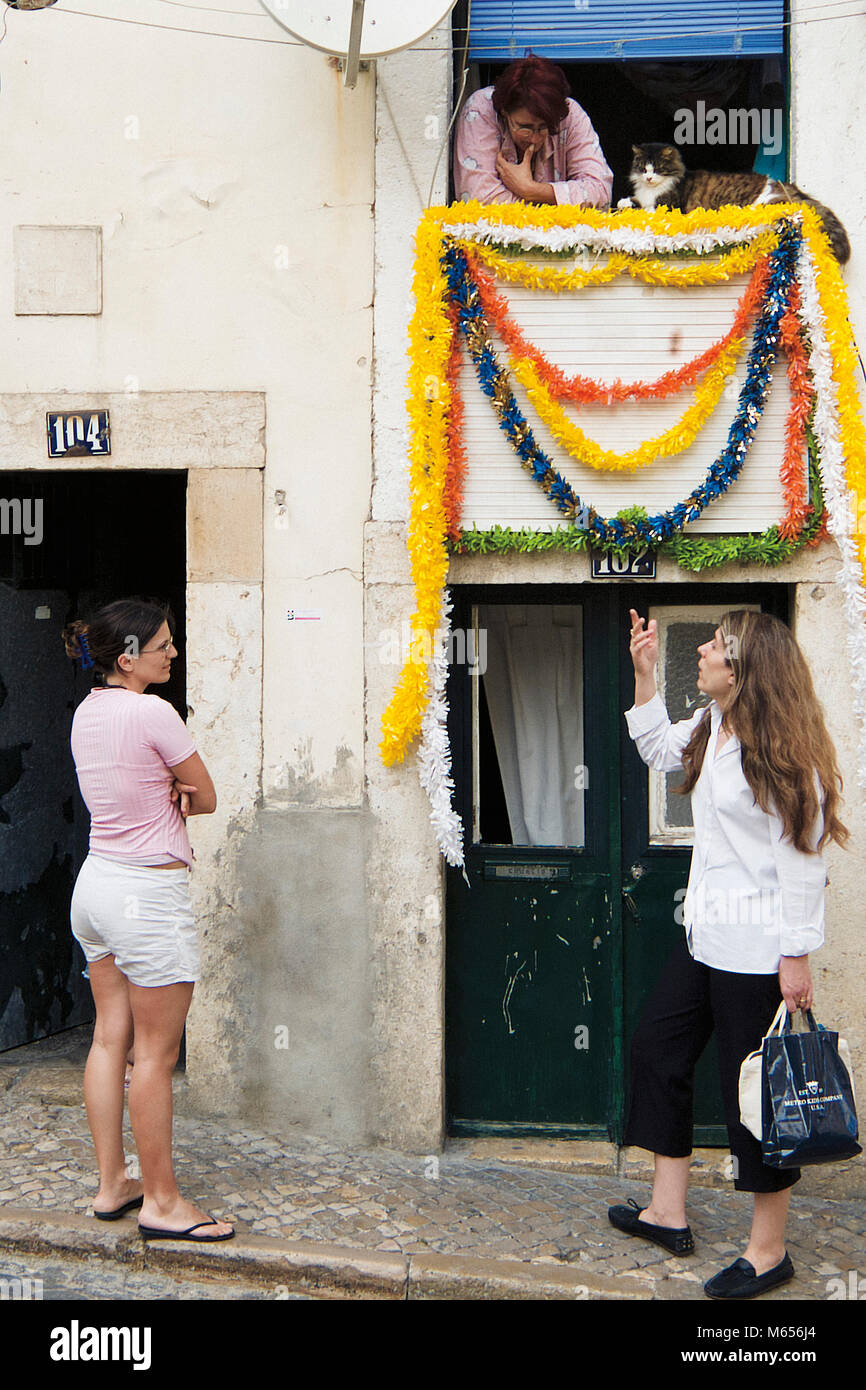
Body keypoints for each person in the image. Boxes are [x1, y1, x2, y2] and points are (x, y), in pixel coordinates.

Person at [608, 608, 848, 1299]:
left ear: (745, 668)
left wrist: (797, 956)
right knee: (658, 1049)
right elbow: (658, 750)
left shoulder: (782, 748)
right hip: (706, 940)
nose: (704, 652)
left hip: (759, 952)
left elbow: (803, 860)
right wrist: (645, 674)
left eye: (715, 645)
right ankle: (666, 1211)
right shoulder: (713, 727)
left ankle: (768, 1252)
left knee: (757, 1098)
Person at [63, 598, 234, 1243]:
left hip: (96, 886)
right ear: (129, 656)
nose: (173, 653)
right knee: (155, 1058)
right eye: (163, 645)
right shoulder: (154, 712)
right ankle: (162, 1201)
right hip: (146, 895)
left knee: (110, 1037)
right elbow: (208, 797)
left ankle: (113, 1185)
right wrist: (174, 789)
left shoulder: (86, 712)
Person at [453, 55, 612, 208]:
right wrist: (558, 208)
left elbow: (601, 192)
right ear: (504, 112)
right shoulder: (480, 111)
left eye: (544, 127)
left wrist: (530, 190)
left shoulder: (570, 115)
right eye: (525, 128)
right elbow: (478, 199)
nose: (535, 139)